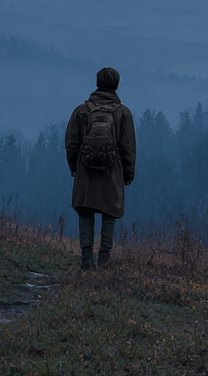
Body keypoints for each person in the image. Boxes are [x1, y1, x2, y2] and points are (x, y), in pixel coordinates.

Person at [64, 66, 136, 270]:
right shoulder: (123, 113)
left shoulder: (81, 110)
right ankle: (104, 260)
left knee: (85, 213)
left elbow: (71, 143)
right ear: (116, 85)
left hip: (84, 171)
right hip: (112, 172)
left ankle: (87, 259)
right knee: (109, 214)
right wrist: (128, 174)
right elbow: (128, 147)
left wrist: (74, 167)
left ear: (97, 83)